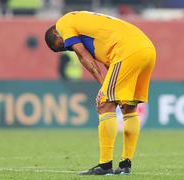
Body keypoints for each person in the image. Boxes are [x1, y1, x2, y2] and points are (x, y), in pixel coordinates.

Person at [44, 11, 156, 175]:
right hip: (147, 49)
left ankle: (105, 165)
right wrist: (108, 88)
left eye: (62, 45)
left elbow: (83, 56)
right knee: (129, 107)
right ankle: (125, 165)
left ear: (56, 34)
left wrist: (103, 88)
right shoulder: (85, 22)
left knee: (104, 105)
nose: (67, 48)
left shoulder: (63, 23)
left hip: (127, 51)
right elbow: (109, 63)